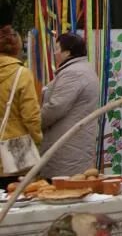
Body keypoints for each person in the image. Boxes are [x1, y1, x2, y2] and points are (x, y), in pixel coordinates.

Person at [40, 33, 100, 179]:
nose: (54, 53)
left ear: (68, 52)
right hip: (74, 144)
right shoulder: (83, 69)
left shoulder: (73, 73)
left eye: (57, 49)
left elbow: (56, 107)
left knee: (64, 191)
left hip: (67, 149)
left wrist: (32, 122)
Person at [0, 26, 41, 185]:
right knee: (19, 198)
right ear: (17, 47)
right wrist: (38, 138)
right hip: (17, 152)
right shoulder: (22, 74)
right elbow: (31, 116)